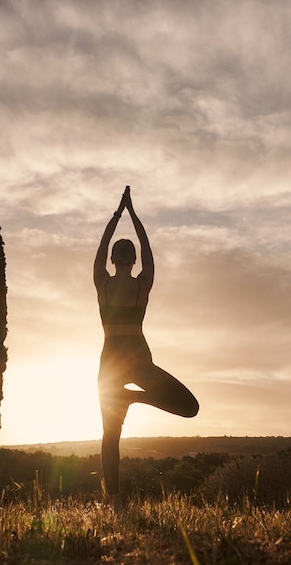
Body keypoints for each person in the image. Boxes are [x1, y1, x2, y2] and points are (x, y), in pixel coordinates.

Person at [94, 186, 199, 505]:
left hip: (110, 362)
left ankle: (115, 502)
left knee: (110, 438)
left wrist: (117, 214)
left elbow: (100, 248)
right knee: (189, 407)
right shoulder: (143, 284)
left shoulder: (104, 284)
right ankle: (136, 398)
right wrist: (134, 215)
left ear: (113, 259)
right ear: (134, 260)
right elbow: (148, 247)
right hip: (139, 360)